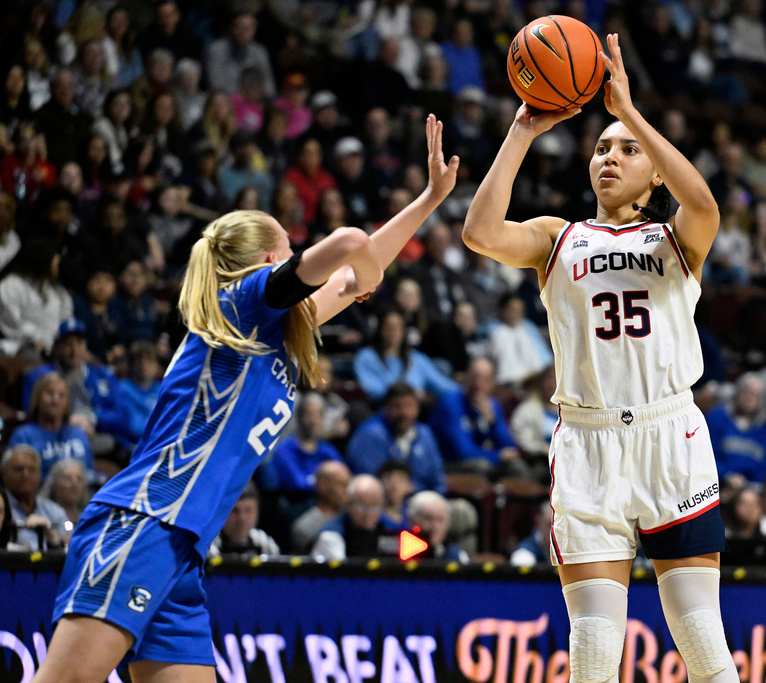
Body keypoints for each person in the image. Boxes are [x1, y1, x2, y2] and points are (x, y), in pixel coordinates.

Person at [31, 114, 458, 683]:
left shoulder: (274, 330)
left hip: (183, 550)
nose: (296, 256)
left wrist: (429, 199)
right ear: (266, 263)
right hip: (144, 521)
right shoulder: (243, 301)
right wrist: (368, 272)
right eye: (287, 249)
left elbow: (354, 268)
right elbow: (353, 247)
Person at [461, 35, 739, 682]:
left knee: (705, 648)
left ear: (656, 171)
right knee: (591, 657)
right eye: (602, 146)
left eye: (628, 149)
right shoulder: (558, 237)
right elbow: (478, 231)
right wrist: (523, 129)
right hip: (586, 443)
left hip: (671, 434)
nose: (610, 155)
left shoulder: (678, 240)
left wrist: (632, 111)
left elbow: (705, 203)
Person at [346, 381, 446, 493]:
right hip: (382, 502)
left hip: (421, 500)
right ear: (385, 408)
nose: (403, 412)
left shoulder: (425, 434)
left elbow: (437, 477)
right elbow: (368, 482)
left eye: (408, 406)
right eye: (397, 406)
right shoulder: (369, 435)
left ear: (417, 408)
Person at [1, 445, 70, 551]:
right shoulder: (1, 508)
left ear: (40, 474)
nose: (25, 475)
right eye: (19, 469)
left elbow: (69, 548)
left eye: (32, 469)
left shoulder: (55, 512)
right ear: (3, 474)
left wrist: (52, 536)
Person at [290, 460, 351, 553]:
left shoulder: (353, 518)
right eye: (342, 484)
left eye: (349, 484)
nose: (348, 491)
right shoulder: (305, 527)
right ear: (322, 486)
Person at [207, 482, 280, 558]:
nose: (242, 518)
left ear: (257, 512)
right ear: (222, 513)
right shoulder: (209, 545)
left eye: (248, 510)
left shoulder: (264, 543)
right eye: (235, 511)